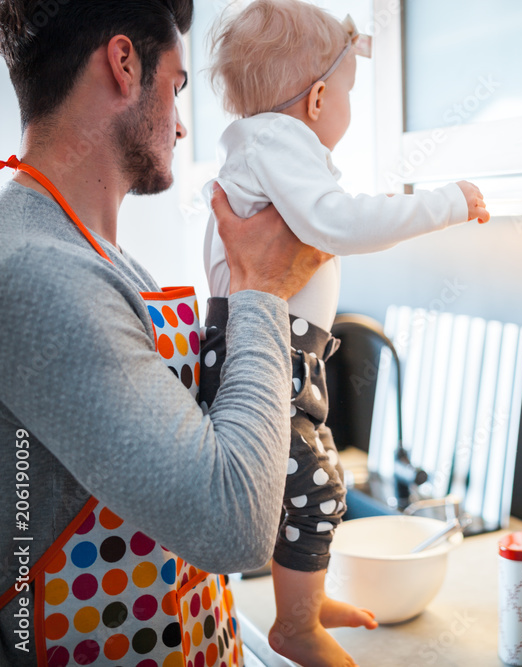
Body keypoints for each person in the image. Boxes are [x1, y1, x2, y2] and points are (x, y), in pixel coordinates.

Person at [0, 1, 332, 664]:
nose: (181, 127)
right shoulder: (39, 273)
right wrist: (261, 289)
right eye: (177, 87)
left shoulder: (91, 252)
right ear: (124, 64)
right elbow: (232, 524)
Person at [201, 2, 490, 665]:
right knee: (315, 485)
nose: (348, 112)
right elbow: (340, 224)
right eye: (351, 96)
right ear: (320, 97)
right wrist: (447, 201)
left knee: (310, 478)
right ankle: (296, 625)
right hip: (265, 349)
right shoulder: (277, 140)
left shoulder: (265, 145)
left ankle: (305, 602)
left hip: (288, 350)